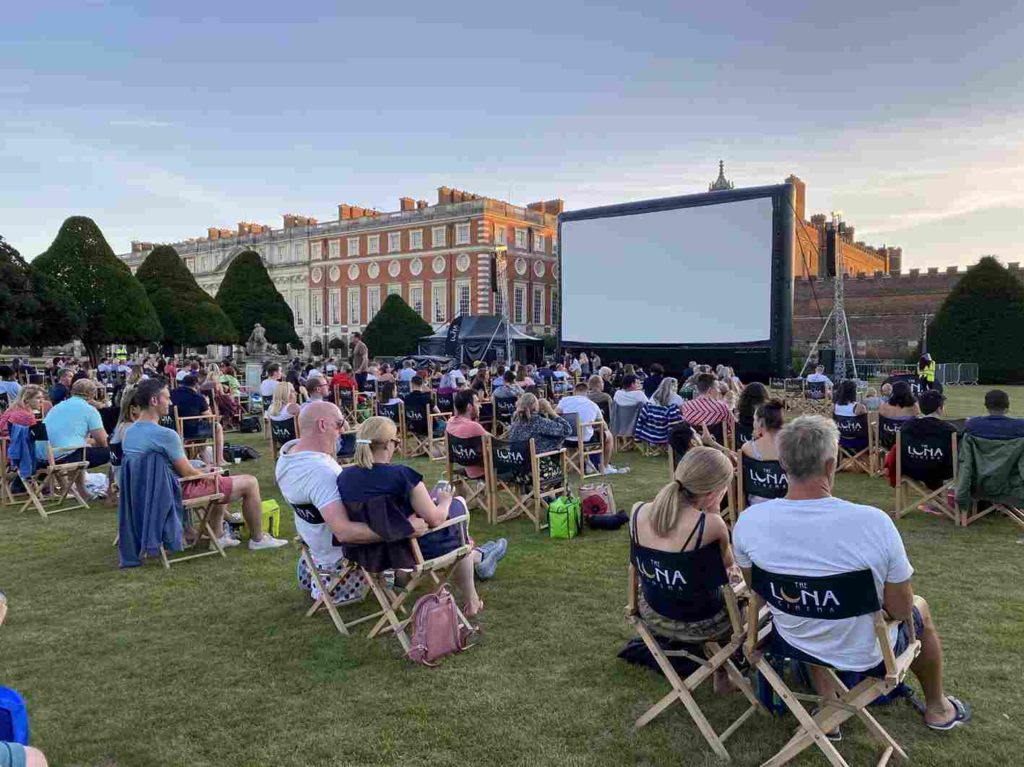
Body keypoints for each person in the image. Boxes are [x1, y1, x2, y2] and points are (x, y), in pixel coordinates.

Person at [733, 415, 970, 734]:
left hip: (792, 638)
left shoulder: (750, 522)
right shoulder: (873, 523)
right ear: (831, 465)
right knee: (919, 608)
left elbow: (755, 588)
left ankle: (828, 706)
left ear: (783, 463)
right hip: (862, 650)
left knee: (808, 605)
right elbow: (899, 611)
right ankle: (938, 707)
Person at [338, 417, 505, 613]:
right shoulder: (402, 475)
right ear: (386, 444)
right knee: (458, 514)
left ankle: (479, 556)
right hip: (410, 552)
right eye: (396, 442)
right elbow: (435, 519)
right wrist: (445, 501)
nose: (397, 446)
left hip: (370, 554)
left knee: (453, 526)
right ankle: (472, 598)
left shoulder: (344, 478)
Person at [125, 379, 287, 551]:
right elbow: (188, 474)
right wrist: (209, 474)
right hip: (173, 492)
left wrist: (205, 470)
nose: (171, 402)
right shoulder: (165, 435)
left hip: (147, 494)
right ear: (154, 401)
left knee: (217, 476)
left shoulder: (129, 433)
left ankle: (217, 536)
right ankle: (258, 539)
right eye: (167, 397)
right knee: (250, 482)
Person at [630, 447, 739, 691]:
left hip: (652, 612)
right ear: (714, 493)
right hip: (703, 623)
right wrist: (712, 510)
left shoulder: (638, 511)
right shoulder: (711, 525)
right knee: (747, 599)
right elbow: (729, 567)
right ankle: (723, 675)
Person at [276, 401, 396, 605]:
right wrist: (402, 529)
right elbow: (345, 532)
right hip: (344, 562)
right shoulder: (320, 472)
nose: (344, 430)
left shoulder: (288, 457)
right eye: (339, 424)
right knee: (422, 546)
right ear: (322, 425)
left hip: (317, 552)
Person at [39, 379, 110, 470]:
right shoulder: (89, 410)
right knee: (114, 452)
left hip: (42, 456)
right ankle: (117, 482)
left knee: (81, 449)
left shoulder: (58, 406)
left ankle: (79, 484)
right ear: (93, 394)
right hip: (62, 456)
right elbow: (103, 441)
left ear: (72, 391)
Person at [558, 381, 620, 473]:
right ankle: (605, 467)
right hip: (585, 440)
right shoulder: (592, 405)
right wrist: (593, 425)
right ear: (587, 393)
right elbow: (604, 426)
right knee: (609, 436)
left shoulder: (564, 401)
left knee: (590, 432)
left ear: (574, 391)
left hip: (566, 439)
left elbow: (555, 414)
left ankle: (583, 465)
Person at [170, 375, 227, 465]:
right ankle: (219, 459)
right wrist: (207, 403)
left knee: (203, 426)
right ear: (196, 385)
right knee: (217, 427)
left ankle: (202, 455)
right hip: (190, 430)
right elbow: (209, 417)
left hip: (174, 428)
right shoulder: (198, 397)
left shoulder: (171, 394)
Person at [740, 399, 785, 505]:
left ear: (760, 422)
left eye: (754, 419)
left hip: (756, 504)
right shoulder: (794, 448)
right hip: (787, 504)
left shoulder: (748, 448)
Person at [445, 389, 490, 481]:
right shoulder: (474, 427)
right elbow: (495, 441)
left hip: (463, 464)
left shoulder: (450, 422)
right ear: (469, 407)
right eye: (477, 402)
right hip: (484, 470)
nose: (480, 406)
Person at [507, 392, 572, 453]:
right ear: (535, 407)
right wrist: (551, 411)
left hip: (517, 461)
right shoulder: (538, 421)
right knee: (558, 442)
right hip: (537, 462)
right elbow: (567, 430)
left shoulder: (515, 421)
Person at [635, 377, 683, 448]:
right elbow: (681, 413)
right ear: (672, 387)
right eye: (676, 386)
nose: (676, 388)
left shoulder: (654, 396)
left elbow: (643, 417)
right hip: (664, 433)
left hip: (648, 431)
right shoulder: (677, 398)